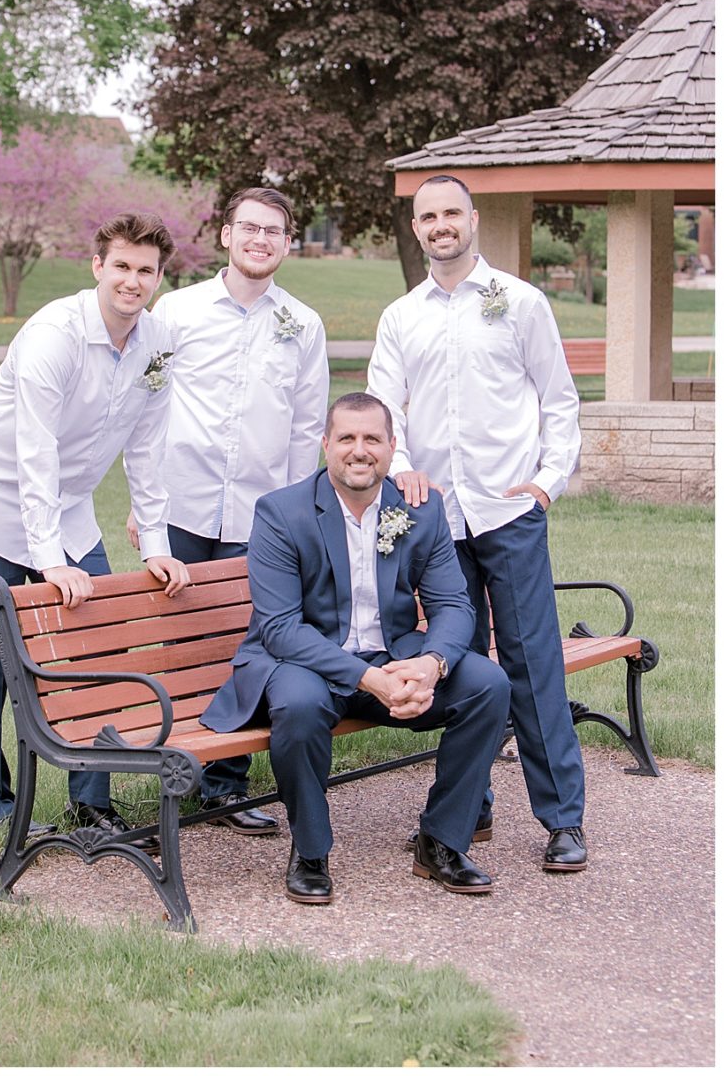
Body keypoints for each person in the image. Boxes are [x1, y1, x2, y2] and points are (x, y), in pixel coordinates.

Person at [0, 215, 190, 824]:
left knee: (100, 644)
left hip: (66, 509)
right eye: (120, 266)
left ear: (158, 278)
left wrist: (155, 544)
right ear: (97, 267)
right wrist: (47, 561)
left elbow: (149, 447)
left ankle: (90, 804)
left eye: (144, 271)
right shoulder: (55, 333)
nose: (132, 280)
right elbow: (33, 448)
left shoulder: (157, 344)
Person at [198, 392, 512, 905]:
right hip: (303, 662)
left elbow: (455, 605)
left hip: (393, 656)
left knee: (487, 685)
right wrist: (371, 680)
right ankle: (311, 852)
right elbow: (279, 629)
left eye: (372, 439)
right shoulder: (281, 512)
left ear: (392, 449)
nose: (359, 450)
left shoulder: (420, 510)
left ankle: (442, 841)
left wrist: (431, 666)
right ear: (326, 445)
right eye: (346, 437)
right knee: (298, 705)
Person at [368, 171, 588, 873]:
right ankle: (471, 810)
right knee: (460, 669)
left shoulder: (520, 303)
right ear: (417, 228)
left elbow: (560, 401)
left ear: (472, 219)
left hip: (508, 512)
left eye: (450, 213)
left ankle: (562, 821)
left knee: (530, 665)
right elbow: (382, 411)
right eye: (427, 215)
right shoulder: (402, 316)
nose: (440, 224)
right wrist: (401, 463)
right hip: (435, 521)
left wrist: (548, 484)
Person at [141, 185, 328, 832]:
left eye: (274, 230)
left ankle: (226, 787)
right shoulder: (176, 311)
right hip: (181, 507)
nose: (260, 240)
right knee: (182, 647)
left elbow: (307, 431)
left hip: (262, 519)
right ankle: (176, 771)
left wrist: (300, 519)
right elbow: (148, 409)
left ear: (287, 241)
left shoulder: (303, 325)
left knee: (248, 651)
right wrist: (148, 510)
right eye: (249, 227)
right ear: (225, 234)